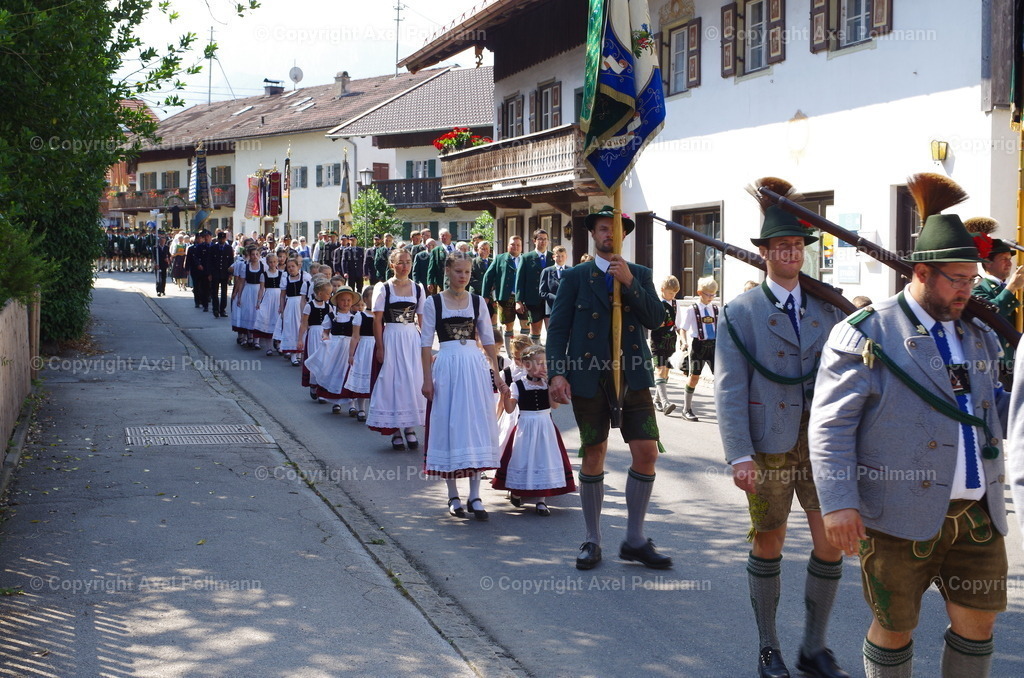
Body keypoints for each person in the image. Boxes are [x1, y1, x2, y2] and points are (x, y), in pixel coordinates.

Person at [811, 179, 1011, 678]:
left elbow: (993, 409)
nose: (967, 289)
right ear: (921, 272)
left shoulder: (979, 335)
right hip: (895, 515)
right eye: (957, 279)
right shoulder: (866, 331)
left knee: (979, 623)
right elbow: (831, 428)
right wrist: (838, 503)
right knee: (895, 626)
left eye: (972, 278)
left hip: (978, 512)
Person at [715, 198, 847, 678]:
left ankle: (814, 646)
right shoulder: (741, 311)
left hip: (822, 444)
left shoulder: (828, 307)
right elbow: (730, 387)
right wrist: (739, 455)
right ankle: (769, 647)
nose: (791, 252)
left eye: (797, 245)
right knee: (769, 540)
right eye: (781, 245)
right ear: (764, 252)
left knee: (831, 540)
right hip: (768, 446)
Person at [546, 205, 671, 572]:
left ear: (624, 235)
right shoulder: (576, 277)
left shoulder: (641, 274)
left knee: (647, 452)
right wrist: (557, 373)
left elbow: (657, 319)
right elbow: (558, 329)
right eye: (602, 228)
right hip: (589, 377)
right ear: (593, 234)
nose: (608, 234)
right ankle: (592, 539)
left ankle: (635, 539)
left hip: (633, 376)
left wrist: (630, 283)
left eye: (614, 228)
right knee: (594, 451)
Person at [421, 252, 507, 520]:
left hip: (473, 367)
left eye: (467, 272)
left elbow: (488, 340)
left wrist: (497, 373)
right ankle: (452, 495)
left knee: (475, 425)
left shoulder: (477, 301)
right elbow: (425, 344)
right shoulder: (433, 302)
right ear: (448, 271)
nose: (463, 276)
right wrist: (426, 379)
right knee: (450, 425)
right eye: (458, 271)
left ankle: (475, 495)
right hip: (447, 366)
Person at [492, 345, 575, 515]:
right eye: (540, 363)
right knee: (522, 458)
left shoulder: (547, 384)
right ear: (527, 365)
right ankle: (517, 490)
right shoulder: (517, 385)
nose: (544, 367)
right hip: (525, 426)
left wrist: (550, 387)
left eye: (545, 363)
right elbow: (509, 409)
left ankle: (541, 500)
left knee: (544, 459)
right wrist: (506, 396)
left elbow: (555, 406)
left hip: (545, 426)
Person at [366, 249, 427, 450]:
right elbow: (377, 320)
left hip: (411, 338)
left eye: (408, 262)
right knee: (393, 382)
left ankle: (409, 427)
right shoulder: (383, 288)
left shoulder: (418, 288)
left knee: (412, 380)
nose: (405, 266)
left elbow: (422, 319)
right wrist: (380, 347)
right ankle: (395, 430)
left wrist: (426, 346)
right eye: (400, 262)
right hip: (391, 336)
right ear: (392, 265)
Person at [966, 216, 1022, 391]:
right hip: (996, 363)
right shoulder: (978, 288)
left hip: (1014, 361)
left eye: (1009, 258)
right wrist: (1012, 287)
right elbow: (990, 314)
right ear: (988, 263)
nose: (1009, 263)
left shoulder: (1010, 288)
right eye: (1003, 258)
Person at [306, 286, 359, 414]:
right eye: (343, 300)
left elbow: (357, 335)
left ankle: (351, 404)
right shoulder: (331, 316)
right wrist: (325, 338)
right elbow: (325, 332)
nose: (345, 303)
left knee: (349, 375)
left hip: (349, 348)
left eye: (348, 300)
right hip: (335, 349)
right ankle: (336, 403)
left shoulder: (355, 317)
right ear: (337, 302)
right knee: (336, 374)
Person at [678, 276, 719, 422]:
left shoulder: (716, 309)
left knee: (720, 378)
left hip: (714, 346)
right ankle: (686, 409)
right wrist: (684, 342)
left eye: (714, 294)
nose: (711, 297)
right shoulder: (692, 309)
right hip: (698, 346)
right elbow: (683, 329)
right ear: (700, 292)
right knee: (694, 377)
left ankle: (723, 409)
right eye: (708, 294)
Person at [482, 235, 528, 357]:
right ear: (508, 246)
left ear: (521, 247)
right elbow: (488, 277)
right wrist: (485, 296)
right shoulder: (500, 258)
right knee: (508, 325)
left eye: (518, 245)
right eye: (512, 244)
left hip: (523, 297)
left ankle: (524, 353)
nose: (515, 247)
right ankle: (510, 355)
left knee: (525, 324)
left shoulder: (526, 259)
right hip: (505, 297)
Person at [342, 286, 376, 421]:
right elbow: (355, 336)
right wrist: (351, 354)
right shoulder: (360, 316)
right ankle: (361, 408)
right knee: (363, 378)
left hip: (377, 348)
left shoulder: (382, 315)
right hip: (364, 349)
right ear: (365, 299)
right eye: (372, 297)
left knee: (376, 379)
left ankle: (374, 409)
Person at [649, 275, 681, 416]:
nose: (673, 296)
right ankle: (665, 402)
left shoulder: (675, 304)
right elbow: (649, 321)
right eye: (670, 293)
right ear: (662, 289)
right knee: (660, 369)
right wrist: (656, 323)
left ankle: (656, 400)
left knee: (666, 371)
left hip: (671, 340)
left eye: (675, 293)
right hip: (658, 340)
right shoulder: (655, 303)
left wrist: (682, 338)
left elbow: (677, 323)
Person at [514, 229, 554, 342]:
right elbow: (520, 280)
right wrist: (518, 301)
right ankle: (535, 350)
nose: (543, 242)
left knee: (552, 329)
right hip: (533, 299)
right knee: (535, 330)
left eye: (545, 239)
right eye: (540, 239)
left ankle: (550, 352)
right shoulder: (526, 258)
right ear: (534, 241)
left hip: (550, 300)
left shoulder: (553, 257)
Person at [298, 279, 334, 400]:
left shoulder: (329, 307)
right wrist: (300, 339)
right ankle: (313, 384)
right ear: (319, 293)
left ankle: (322, 388)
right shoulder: (309, 306)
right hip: (313, 334)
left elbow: (332, 323)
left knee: (324, 360)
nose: (330, 296)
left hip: (325, 335)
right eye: (328, 293)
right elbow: (304, 324)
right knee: (314, 357)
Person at [278, 257, 312, 366]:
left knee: (301, 328)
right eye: (289, 267)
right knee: (291, 329)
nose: (291, 268)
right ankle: (293, 355)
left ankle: (300, 354)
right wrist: (282, 309)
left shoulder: (305, 277)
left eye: (293, 266)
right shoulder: (286, 279)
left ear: (298, 266)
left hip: (301, 305)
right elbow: (282, 296)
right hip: (290, 306)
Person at [233, 245, 265, 350]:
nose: (255, 256)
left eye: (256, 254)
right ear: (249, 256)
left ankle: (256, 340)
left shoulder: (263, 266)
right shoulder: (245, 267)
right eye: (253, 254)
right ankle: (248, 337)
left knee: (257, 314)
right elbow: (241, 282)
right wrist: (239, 296)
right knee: (248, 313)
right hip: (248, 291)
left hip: (259, 290)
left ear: (259, 255)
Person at [253, 253, 284, 355]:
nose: (272, 264)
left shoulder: (281, 274)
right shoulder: (264, 274)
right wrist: (259, 301)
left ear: (277, 262)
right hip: (268, 298)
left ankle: (278, 345)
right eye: (270, 262)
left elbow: (284, 290)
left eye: (274, 262)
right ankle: (269, 347)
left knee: (278, 321)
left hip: (278, 298)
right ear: (267, 263)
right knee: (267, 320)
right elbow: (261, 289)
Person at [208, 231, 235, 318]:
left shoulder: (228, 248)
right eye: (220, 239)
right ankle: (215, 309)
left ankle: (222, 310)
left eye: (223, 239)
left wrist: (230, 274)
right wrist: (210, 273)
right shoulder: (213, 248)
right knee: (214, 292)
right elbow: (210, 261)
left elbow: (231, 261)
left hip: (225, 273)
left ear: (225, 239)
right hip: (215, 272)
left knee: (224, 292)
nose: (222, 240)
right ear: (218, 239)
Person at [538, 245, 570, 319]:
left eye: (562, 256)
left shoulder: (571, 271)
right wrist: (555, 298)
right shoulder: (547, 271)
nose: (560, 259)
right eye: (558, 256)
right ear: (553, 257)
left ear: (566, 257)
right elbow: (542, 292)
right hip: (552, 308)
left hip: (567, 308)